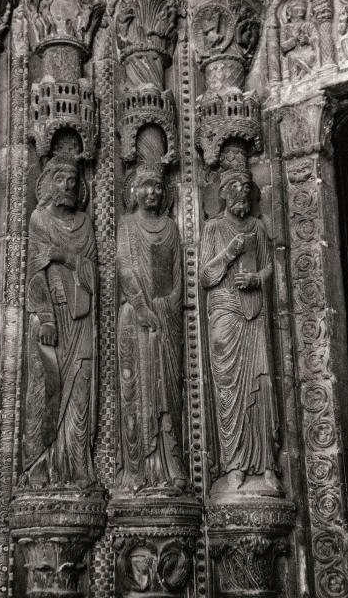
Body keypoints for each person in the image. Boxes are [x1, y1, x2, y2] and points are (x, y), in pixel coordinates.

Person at [200, 169, 281, 495]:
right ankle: (234, 465)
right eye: (235, 186)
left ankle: (266, 466)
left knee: (261, 386)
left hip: (254, 311)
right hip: (225, 312)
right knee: (230, 390)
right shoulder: (213, 228)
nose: (242, 192)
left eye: (247, 187)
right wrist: (231, 252)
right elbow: (205, 275)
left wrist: (258, 279)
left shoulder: (258, 227)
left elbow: (270, 264)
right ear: (222, 192)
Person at [22, 152, 98, 490]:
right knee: (46, 391)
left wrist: (65, 256)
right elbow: (35, 272)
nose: (67, 185)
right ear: (48, 184)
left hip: (80, 317)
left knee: (79, 390)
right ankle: (40, 466)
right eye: (60, 179)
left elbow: (93, 273)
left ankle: (77, 465)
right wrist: (47, 318)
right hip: (51, 321)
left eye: (72, 180)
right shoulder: (39, 220)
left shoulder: (84, 223)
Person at [115, 163, 187, 496]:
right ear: (134, 192)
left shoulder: (171, 228)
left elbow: (178, 278)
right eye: (146, 186)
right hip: (135, 318)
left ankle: (171, 465)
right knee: (134, 392)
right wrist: (143, 309)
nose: (154, 192)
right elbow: (125, 268)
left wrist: (166, 307)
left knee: (169, 396)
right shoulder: (127, 225)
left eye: (159, 186)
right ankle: (137, 470)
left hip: (166, 321)